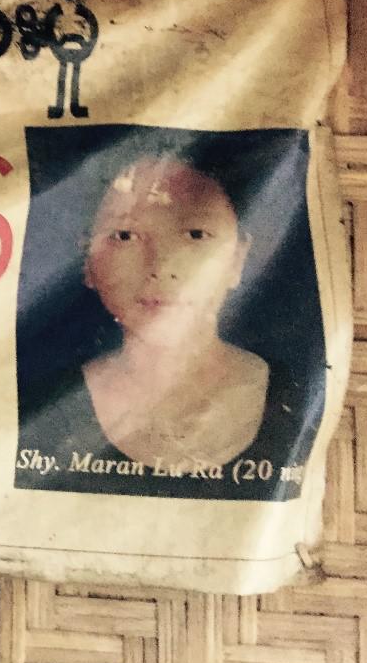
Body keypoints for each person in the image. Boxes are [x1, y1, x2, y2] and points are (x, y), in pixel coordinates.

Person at [77, 156, 265, 467]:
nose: (162, 267)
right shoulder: (38, 403)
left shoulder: (299, 398)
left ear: (238, 258)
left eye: (196, 235)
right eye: (125, 235)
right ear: (87, 260)